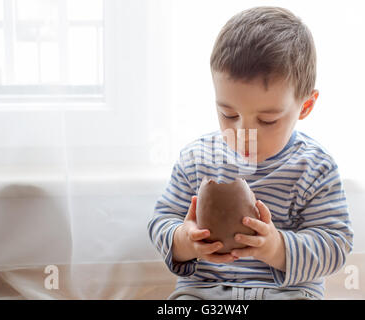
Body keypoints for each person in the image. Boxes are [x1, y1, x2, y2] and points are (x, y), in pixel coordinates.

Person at [147, 6, 353, 300]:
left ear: (305, 107)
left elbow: (335, 244)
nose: (244, 134)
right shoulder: (197, 159)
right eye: (228, 114)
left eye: (267, 120)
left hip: (287, 292)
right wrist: (184, 240)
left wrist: (275, 247)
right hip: (206, 291)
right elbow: (161, 220)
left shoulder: (314, 167)